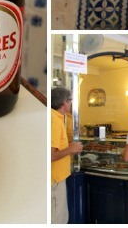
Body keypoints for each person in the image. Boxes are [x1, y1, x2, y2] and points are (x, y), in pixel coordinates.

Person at [51, 87, 83, 224]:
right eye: (70, 100)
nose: (71, 104)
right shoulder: (55, 121)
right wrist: (70, 150)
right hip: (54, 180)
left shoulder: (57, 118)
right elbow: (50, 155)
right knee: (58, 219)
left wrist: (68, 146)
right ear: (64, 102)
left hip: (57, 179)